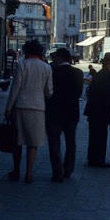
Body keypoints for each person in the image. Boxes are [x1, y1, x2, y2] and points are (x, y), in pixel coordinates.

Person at [5, 39, 53, 184]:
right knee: (33, 143)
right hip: (38, 108)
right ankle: (29, 173)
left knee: (18, 141)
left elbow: (16, 88)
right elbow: (49, 92)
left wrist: (8, 108)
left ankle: (16, 169)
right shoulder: (46, 68)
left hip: (21, 106)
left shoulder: (22, 65)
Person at [46, 48, 84, 182]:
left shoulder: (52, 72)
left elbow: (47, 92)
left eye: (55, 57)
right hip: (72, 112)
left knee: (54, 143)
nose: (53, 60)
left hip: (54, 112)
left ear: (60, 58)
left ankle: (57, 172)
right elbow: (79, 93)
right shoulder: (78, 73)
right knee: (71, 143)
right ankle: (68, 169)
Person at [83, 52, 110, 168]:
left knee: (94, 136)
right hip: (101, 111)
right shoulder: (106, 76)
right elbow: (108, 95)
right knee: (100, 136)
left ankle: (92, 158)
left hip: (94, 110)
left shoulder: (99, 74)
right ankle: (98, 160)